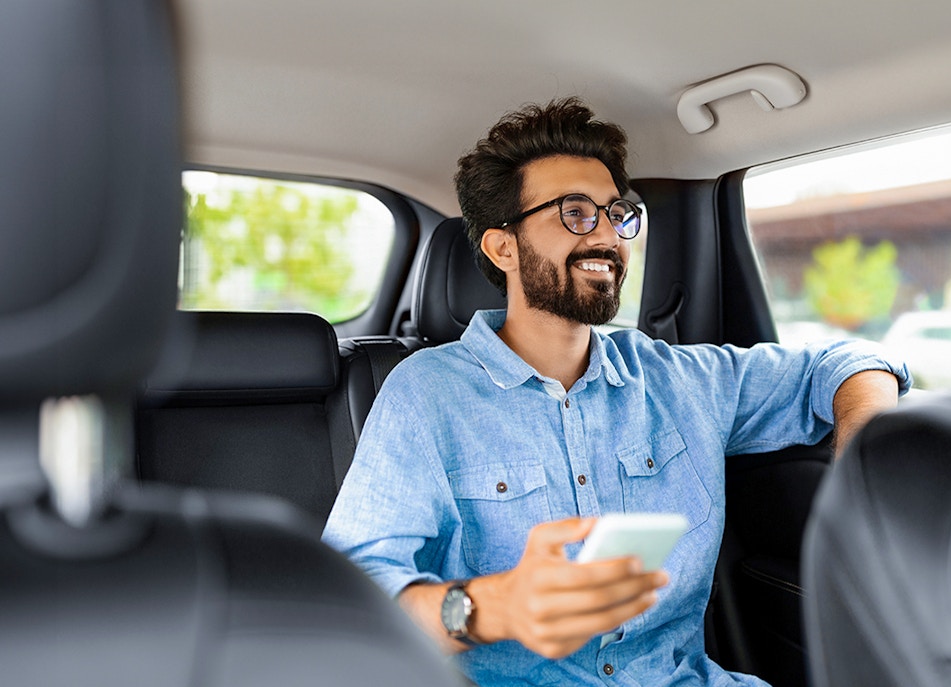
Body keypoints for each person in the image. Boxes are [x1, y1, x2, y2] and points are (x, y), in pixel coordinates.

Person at [323, 96, 909, 686]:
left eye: (616, 214)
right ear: (504, 248)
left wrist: (868, 476)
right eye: (575, 213)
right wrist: (488, 607)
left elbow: (851, 361)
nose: (608, 236)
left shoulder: (678, 379)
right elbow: (352, 601)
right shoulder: (427, 395)